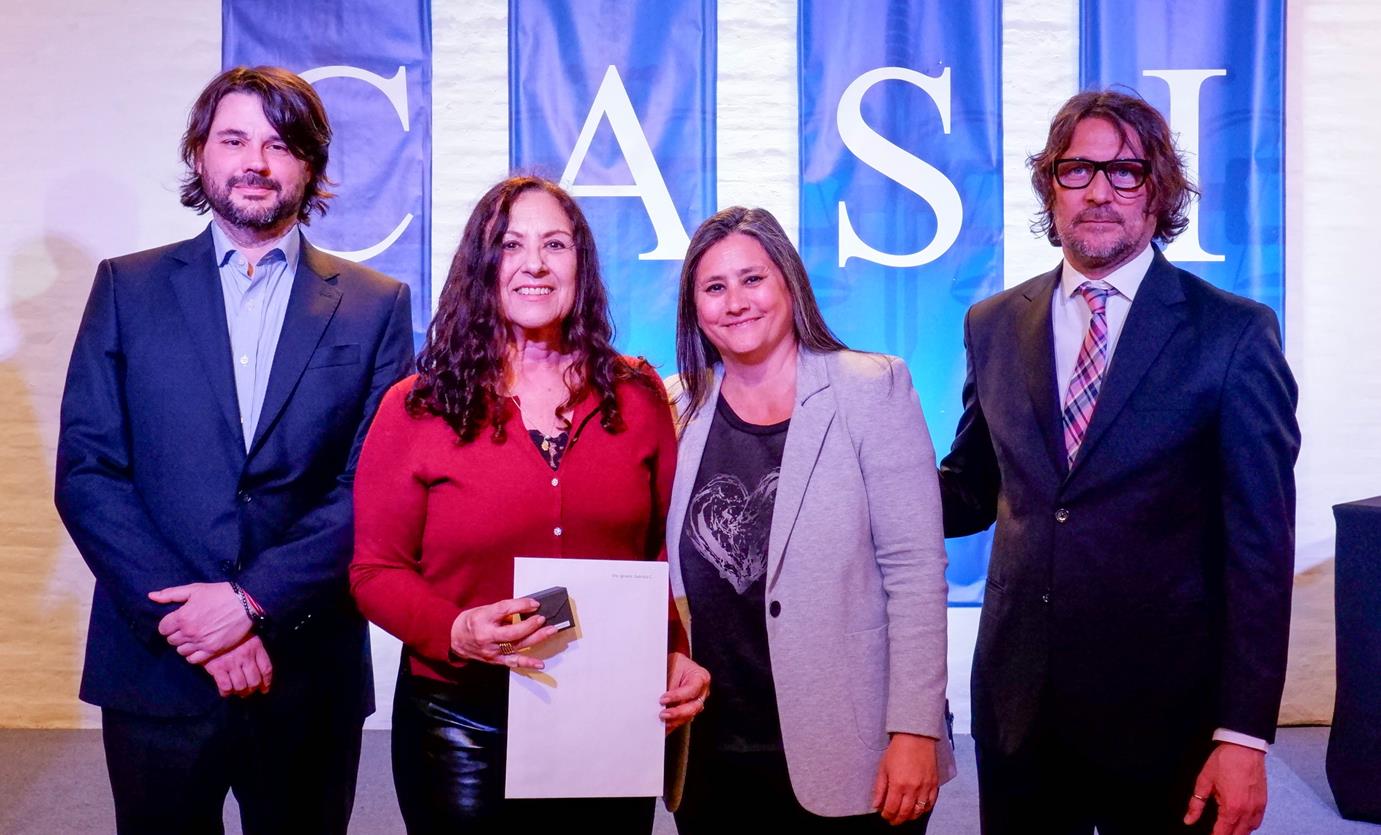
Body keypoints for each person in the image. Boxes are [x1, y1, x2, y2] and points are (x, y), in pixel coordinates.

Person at [54, 66, 414, 833]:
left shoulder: (376, 305)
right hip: (157, 665)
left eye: (280, 145)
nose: (256, 161)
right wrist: (195, 623)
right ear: (200, 153)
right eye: (234, 139)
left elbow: (372, 484)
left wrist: (251, 603)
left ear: (310, 165)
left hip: (306, 665)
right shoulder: (126, 289)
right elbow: (89, 472)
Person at [939, 89, 1300, 835]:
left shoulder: (1233, 333)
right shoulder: (992, 323)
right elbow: (970, 489)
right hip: (1018, 709)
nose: (1099, 191)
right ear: (1050, 187)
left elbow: (1260, 551)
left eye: (1125, 172)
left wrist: (1242, 733)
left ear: (1158, 190)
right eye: (1076, 170)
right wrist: (852, 475)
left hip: (1169, 721)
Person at [349, 175, 710, 834]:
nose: (535, 263)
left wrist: (672, 649)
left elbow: (659, 552)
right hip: (461, 719)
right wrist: (455, 629)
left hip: (606, 706)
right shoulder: (416, 407)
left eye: (555, 244)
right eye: (511, 245)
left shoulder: (637, 396)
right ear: (481, 266)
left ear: (581, 265)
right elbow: (374, 571)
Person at [664, 206, 956, 833]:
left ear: (790, 283)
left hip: (854, 750)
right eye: (714, 287)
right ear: (694, 308)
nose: (735, 302)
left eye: (753, 279)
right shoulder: (675, 407)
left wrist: (915, 730)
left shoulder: (871, 388)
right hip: (712, 754)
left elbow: (915, 572)